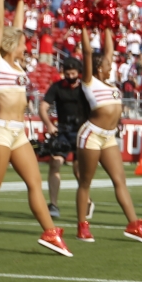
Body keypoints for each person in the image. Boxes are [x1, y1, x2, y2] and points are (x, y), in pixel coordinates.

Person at [0, 0, 69, 257]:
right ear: (10, 45)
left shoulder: (17, 65)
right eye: (22, 44)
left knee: (35, 182)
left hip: (18, 132)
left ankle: (50, 232)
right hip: (0, 129)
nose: (26, 47)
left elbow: (16, 25)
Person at [74, 26, 142, 244]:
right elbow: (88, 53)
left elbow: (110, 50)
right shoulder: (90, 81)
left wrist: (106, 25)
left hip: (108, 137)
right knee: (85, 183)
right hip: (91, 135)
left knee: (120, 180)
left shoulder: (110, 82)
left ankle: (133, 224)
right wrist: (84, 27)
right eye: (107, 65)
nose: (111, 66)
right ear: (98, 68)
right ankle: (82, 226)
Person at [39, 59, 88, 218]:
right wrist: (49, 125)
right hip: (63, 132)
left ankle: (86, 200)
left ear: (78, 73)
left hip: (81, 131)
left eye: (73, 74)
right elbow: (43, 107)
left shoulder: (84, 88)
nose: (70, 76)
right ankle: (53, 204)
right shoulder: (57, 87)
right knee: (55, 163)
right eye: (68, 74)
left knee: (79, 171)